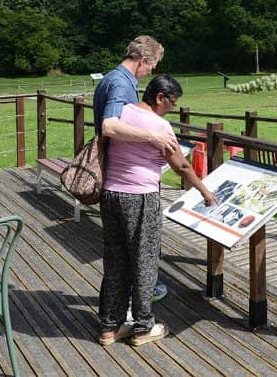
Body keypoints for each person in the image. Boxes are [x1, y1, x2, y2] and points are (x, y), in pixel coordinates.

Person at [97, 75, 217, 347]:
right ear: (160, 97)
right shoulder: (160, 126)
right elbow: (182, 166)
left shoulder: (122, 112)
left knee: (115, 261)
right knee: (144, 262)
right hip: (140, 198)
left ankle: (109, 327)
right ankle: (142, 328)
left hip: (111, 194)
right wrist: (204, 190)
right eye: (172, 102)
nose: (173, 108)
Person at [93, 35, 174, 303]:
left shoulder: (110, 78)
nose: (152, 71)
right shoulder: (120, 84)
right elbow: (110, 126)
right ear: (143, 60)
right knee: (134, 251)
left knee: (117, 254)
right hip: (129, 186)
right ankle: (136, 308)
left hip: (116, 182)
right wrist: (153, 138)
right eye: (153, 66)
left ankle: (114, 313)